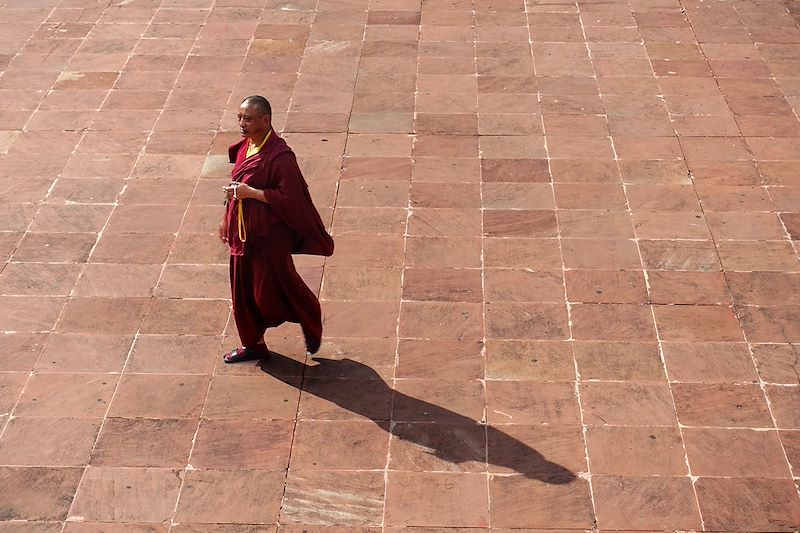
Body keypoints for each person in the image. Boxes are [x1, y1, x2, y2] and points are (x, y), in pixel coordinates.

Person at [219, 95, 334, 363]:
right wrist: (226, 217)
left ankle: (310, 317)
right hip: (242, 231)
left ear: (265, 120)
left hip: (270, 237)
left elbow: (290, 198)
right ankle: (253, 344)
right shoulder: (246, 147)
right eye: (239, 117)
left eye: (247, 118)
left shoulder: (281, 157)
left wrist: (252, 193)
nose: (241, 123)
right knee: (241, 292)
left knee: (274, 290)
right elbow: (237, 186)